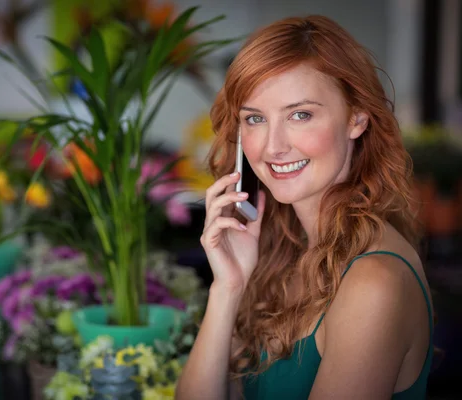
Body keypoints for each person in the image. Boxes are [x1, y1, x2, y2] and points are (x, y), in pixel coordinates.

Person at [175, 15, 433, 400]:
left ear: (357, 118)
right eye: (255, 119)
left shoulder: (373, 283)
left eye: (300, 114)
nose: (273, 146)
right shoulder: (279, 247)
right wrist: (227, 288)